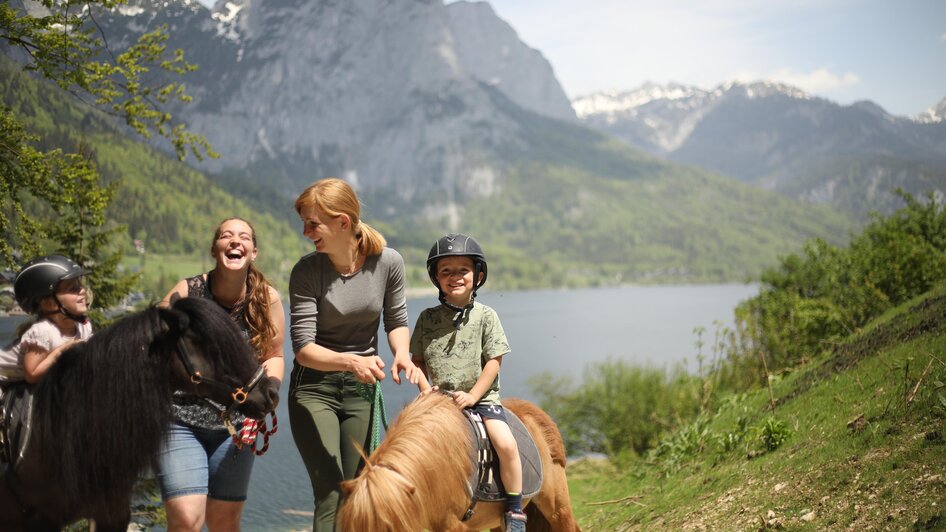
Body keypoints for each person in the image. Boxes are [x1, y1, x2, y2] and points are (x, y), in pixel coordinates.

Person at [287, 177, 421, 531]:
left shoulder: (388, 262)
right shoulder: (306, 271)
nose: (305, 232)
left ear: (342, 222)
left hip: (361, 390)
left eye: (312, 224)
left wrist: (402, 353)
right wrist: (350, 361)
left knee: (359, 491)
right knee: (331, 492)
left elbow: (396, 320)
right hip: (314, 389)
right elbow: (303, 349)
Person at [155, 217, 285, 532]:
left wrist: (267, 398)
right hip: (179, 420)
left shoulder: (267, 298)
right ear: (215, 250)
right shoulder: (188, 292)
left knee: (225, 523)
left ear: (254, 252)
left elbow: (274, 356)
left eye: (243, 237)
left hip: (238, 428)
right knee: (187, 519)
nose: (234, 241)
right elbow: (156, 342)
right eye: (226, 236)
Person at [410, 233, 528, 532]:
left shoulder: (487, 316)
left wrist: (474, 395)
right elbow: (417, 360)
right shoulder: (426, 318)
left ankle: (514, 509)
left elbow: (494, 361)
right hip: (439, 401)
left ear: (478, 275)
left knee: (505, 444)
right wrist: (427, 390)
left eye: (463, 270)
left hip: (482, 399)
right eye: (445, 271)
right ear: (436, 278)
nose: (455, 277)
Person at [0, 255, 94, 392]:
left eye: (79, 285)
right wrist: (61, 351)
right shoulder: (43, 332)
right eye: (72, 289)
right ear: (48, 302)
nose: (82, 291)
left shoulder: (83, 326)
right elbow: (31, 375)